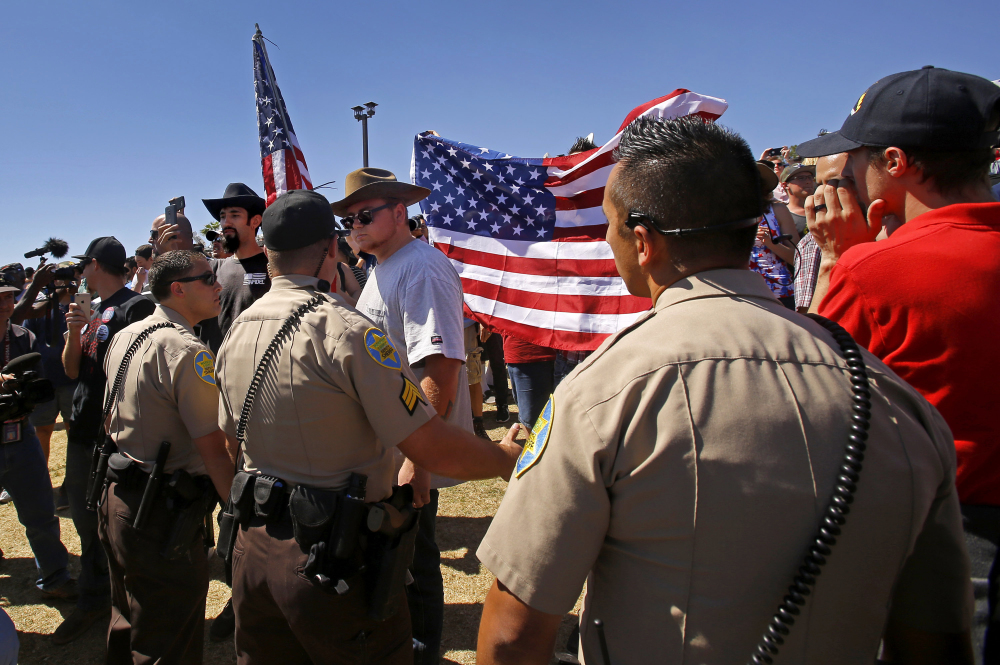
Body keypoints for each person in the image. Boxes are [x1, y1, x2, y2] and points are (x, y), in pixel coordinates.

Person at [476, 115, 975, 665]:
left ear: (643, 242)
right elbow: (937, 640)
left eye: (610, 228)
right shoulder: (895, 398)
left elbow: (512, 636)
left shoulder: (604, 393)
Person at [215, 189, 522, 665]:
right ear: (329, 250)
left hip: (252, 549)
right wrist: (503, 459)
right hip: (330, 556)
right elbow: (431, 444)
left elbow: (227, 436)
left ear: (268, 253)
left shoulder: (237, 329)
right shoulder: (342, 328)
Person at [797, 66, 1000, 663]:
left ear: (894, 161)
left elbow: (811, 404)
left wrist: (840, 261)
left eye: (855, 158)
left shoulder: (875, 272)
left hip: (950, 544)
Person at [341, 168, 472, 664]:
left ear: (400, 212)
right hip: (390, 445)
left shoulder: (421, 268)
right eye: (349, 218)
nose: (354, 224)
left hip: (409, 448)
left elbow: (440, 365)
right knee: (395, 562)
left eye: (365, 214)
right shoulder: (385, 266)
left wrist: (419, 457)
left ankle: (421, 654)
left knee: (411, 563)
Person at [98, 250, 234, 664]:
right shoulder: (187, 351)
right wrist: (237, 513)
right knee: (168, 638)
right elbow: (213, 448)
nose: (219, 286)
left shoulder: (127, 333)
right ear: (178, 290)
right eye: (208, 279)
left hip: (118, 495)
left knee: (126, 615)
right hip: (160, 515)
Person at [57, 236, 156, 644]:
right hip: (83, 432)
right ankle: (96, 595)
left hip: (112, 438)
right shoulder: (93, 311)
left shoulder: (138, 307)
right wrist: (73, 332)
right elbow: (71, 371)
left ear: (95, 265)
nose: (80, 274)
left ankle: (124, 602)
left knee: (116, 524)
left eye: (84, 266)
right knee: (85, 519)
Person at [0, 275, 75, 601]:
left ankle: (55, 576)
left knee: (40, 513)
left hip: (20, 434)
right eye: (0, 297)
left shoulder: (22, 336)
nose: (6, 303)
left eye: (9, 297)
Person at [202, 183, 271, 339]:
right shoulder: (214, 268)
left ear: (255, 221)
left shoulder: (273, 267)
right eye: (222, 216)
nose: (226, 222)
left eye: (235, 215)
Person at [793, 154, 844, 313]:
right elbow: (807, 314)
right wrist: (831, 257)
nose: (824, 191)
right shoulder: (812, 244)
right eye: (822, 183)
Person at [748, 162, 800, 308]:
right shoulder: (726, 215)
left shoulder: (777, 209)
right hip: (746, 294)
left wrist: (771, 243)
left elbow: (798, 258)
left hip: (781, 293)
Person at [779, 162, 816, 235]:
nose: (808, 181)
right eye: (801, 178)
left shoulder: (824, 207)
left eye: (810, 177)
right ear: (785, 185)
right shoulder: (782, 215)